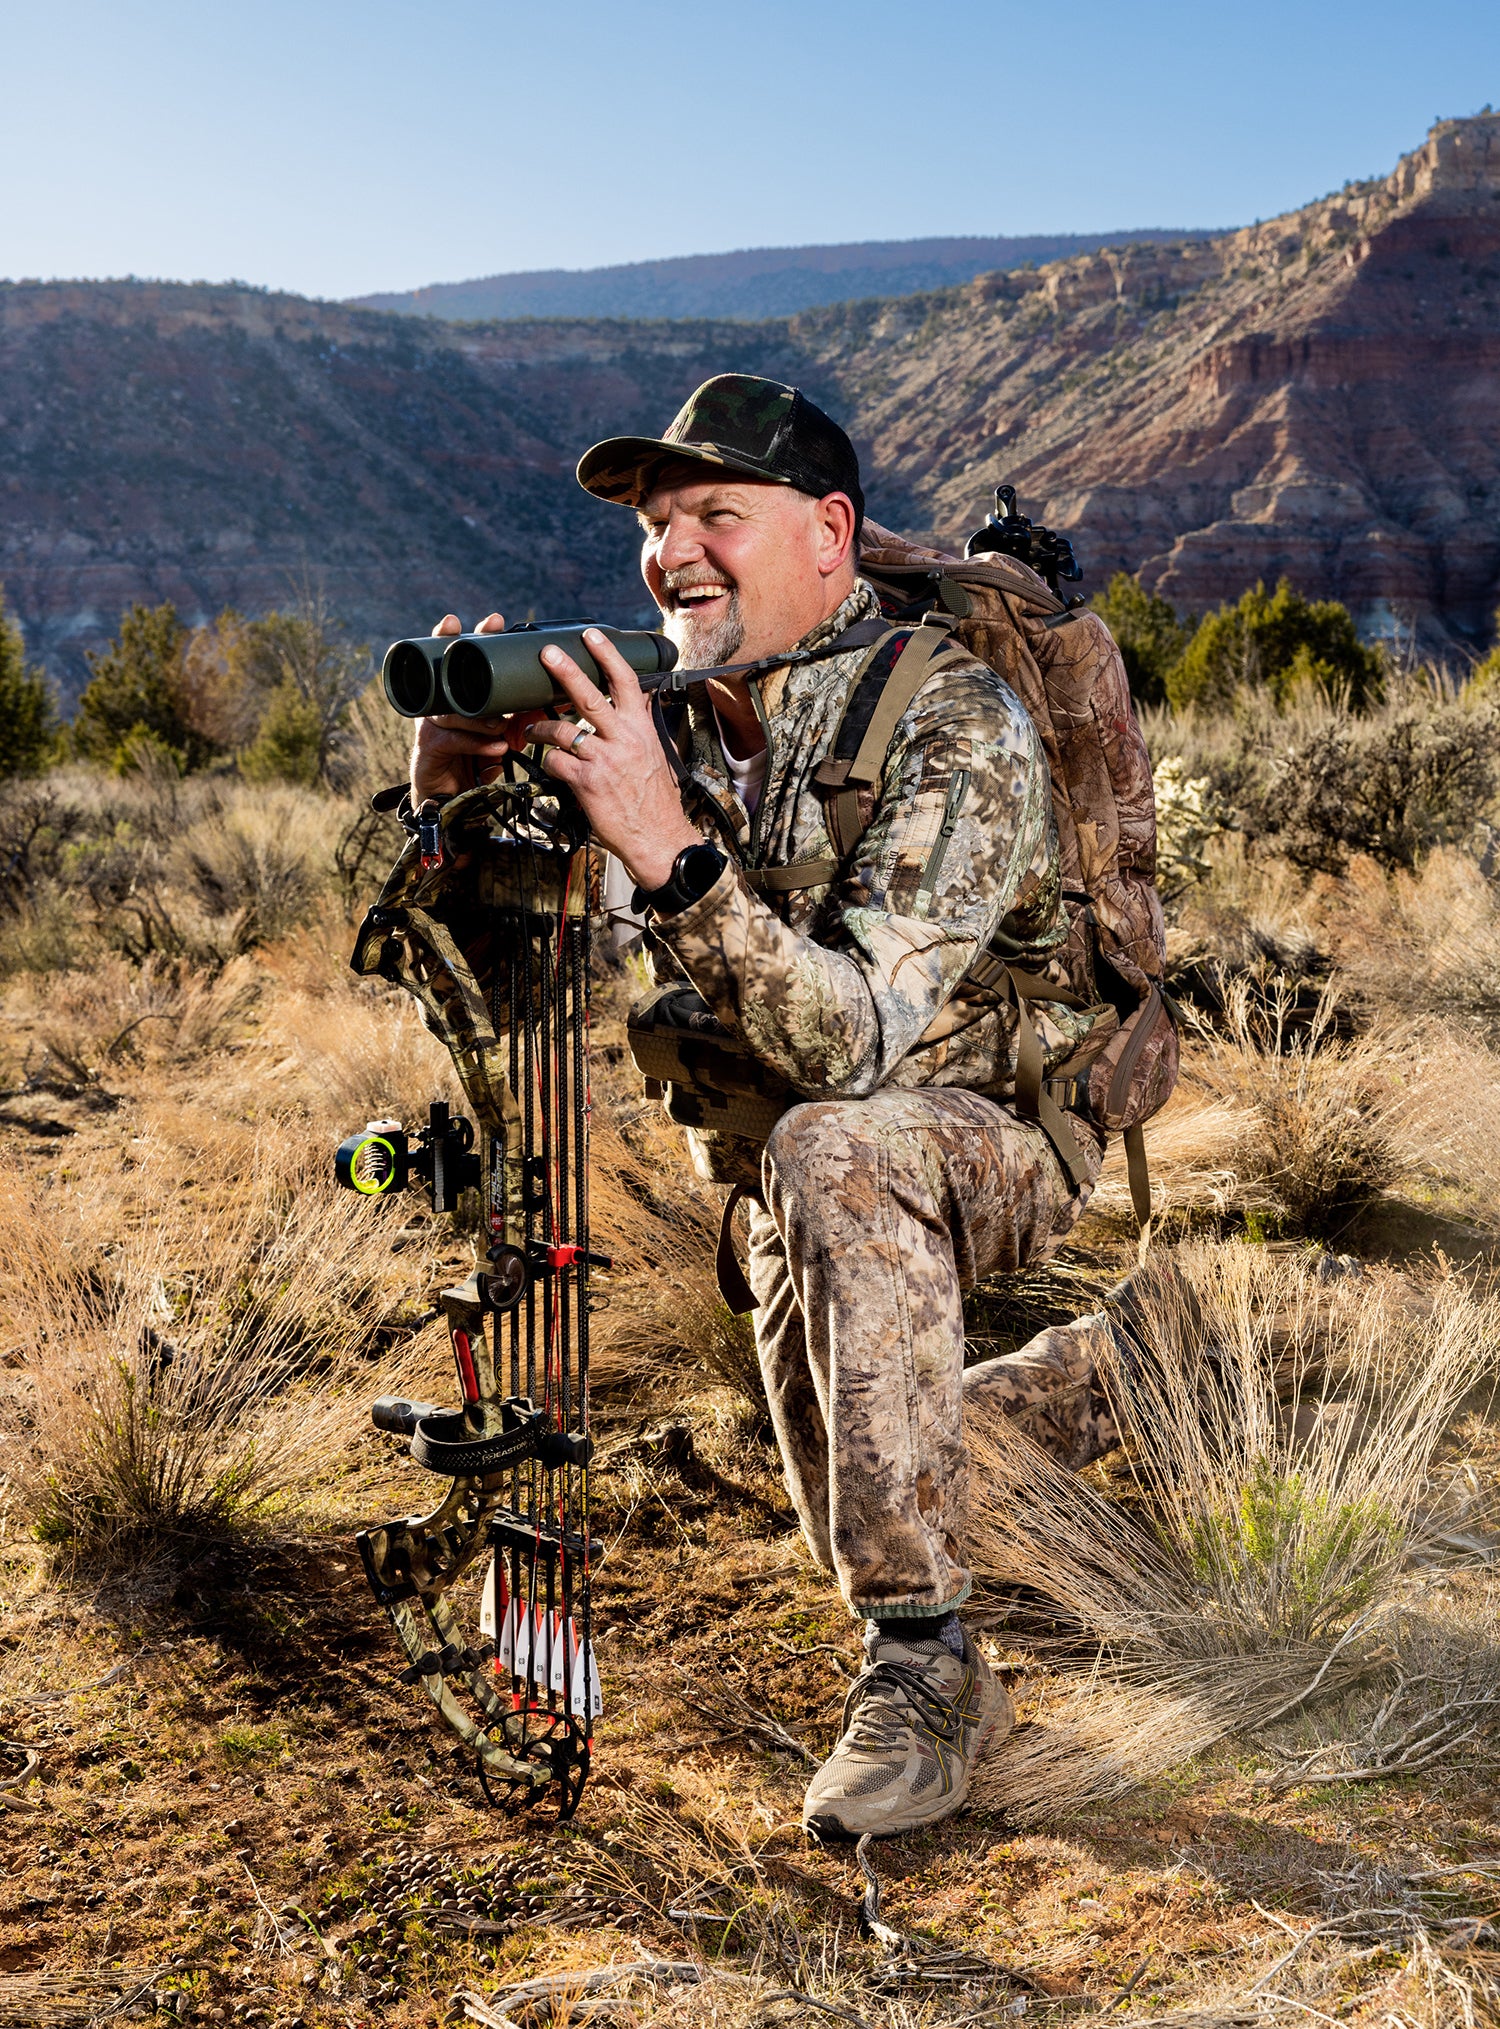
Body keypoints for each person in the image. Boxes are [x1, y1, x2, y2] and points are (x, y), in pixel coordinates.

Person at [409, 374, 1125, 1841]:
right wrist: (450, 815)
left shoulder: (954, 714)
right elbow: (508, 1011)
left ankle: (932, 1672)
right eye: (654, 525)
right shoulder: (667, 725)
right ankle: (1132, 1370)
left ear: (828, 534)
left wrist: (668, 854)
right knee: (866, 1490)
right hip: (795, 1185)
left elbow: (853, 1046)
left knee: (835, 1152)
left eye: (716, 516)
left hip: (990, 1128)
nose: (672, 552)